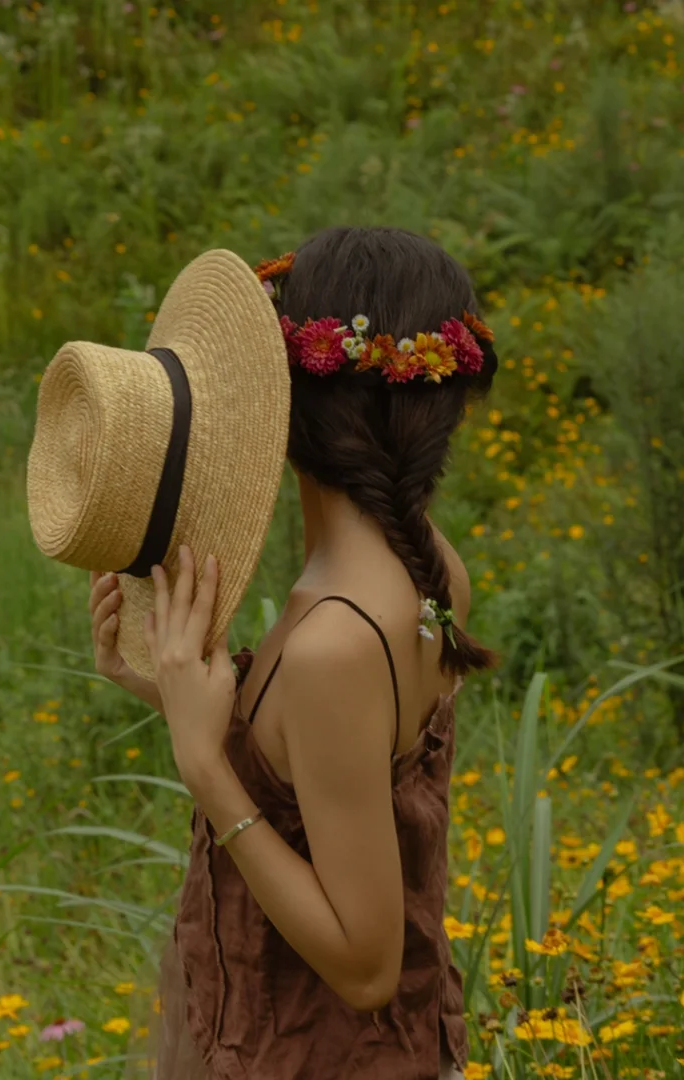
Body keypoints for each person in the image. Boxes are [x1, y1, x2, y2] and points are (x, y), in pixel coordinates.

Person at [84, 228, 500, 1079]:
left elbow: (365, 967)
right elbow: (330, 776)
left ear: (286, 395)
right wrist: (185, 696)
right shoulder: (426, 564)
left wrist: (208, 765)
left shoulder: (331, 647)